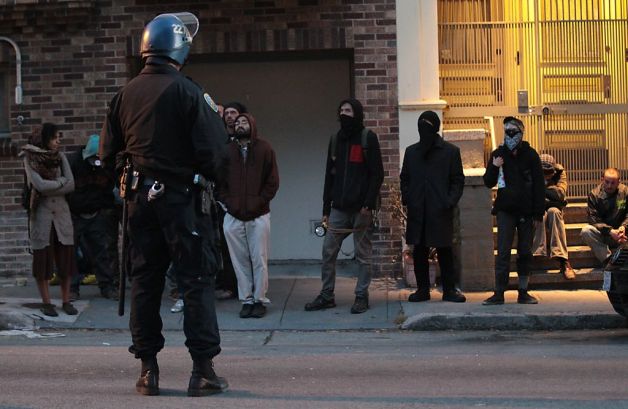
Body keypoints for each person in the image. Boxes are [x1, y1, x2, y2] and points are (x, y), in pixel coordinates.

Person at [99, 13, 228, 397]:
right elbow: (215, 154)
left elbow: (106, 155)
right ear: (178, 47)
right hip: (182, 202)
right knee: (195, 281)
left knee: (144, 282)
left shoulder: (123, 95)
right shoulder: (189, 92)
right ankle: (202, 371)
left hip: (139, 200)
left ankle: (147, 371)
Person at [304, 98, 384, 314]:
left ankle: (361, 296)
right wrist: (325, 209)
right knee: (328, 252)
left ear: (357, 113)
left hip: (361, 209)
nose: (344, 114)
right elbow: (329, 177)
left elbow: (377, 174)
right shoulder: (335, 140)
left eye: (348, 110)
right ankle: (327, 295)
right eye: (341, 110)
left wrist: (368, 203)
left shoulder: (368, 138)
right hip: (338, 208)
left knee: (363, 255)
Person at [400, 111, 466, 303]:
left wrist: (449, 201)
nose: (424, 130)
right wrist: (409, 197)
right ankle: (422, 289)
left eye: (427, 126)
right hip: (418, 208)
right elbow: (405, 177)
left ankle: (449, 290)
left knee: (445, 250)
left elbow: (457, 180)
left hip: (440, 209)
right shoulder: (412, 152)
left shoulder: (450, 152)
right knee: (419, 249)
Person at [220, 113, 279, 319]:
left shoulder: (265, 149)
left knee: (259, 258)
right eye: (237, 123)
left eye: (244, 122)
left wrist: (258, 202)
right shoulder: (227, 151)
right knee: (239, 260)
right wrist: (229, 204)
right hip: (233, 214)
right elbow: (220, 182)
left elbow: (272, 182)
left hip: (258, 214)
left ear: (252, 125)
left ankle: (259, 299)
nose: (240, 125)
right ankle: (246, 299)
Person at [482, 116, 545, 305]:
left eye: (513, 132)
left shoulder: (531, 155)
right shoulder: (498, 154)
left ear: (521, 133)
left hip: (526, 212)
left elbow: (538, 186)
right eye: (507, 132)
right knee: (503, 252)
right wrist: (494, 166)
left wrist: (537, 213)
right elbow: (488, 182)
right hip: (505, 211)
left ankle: (523, 291)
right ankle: (499, 292)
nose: (510, 136)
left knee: (524, 252)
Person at [20, 123, 78, 317]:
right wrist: (60, 182)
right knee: (43, 261)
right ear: (44, 140)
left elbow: (71, 185)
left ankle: (66, 300)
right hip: (42, 215)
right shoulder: (30, 159)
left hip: (61, 214)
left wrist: (57, 184)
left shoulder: (60, 157)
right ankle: (46, 302)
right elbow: (39, 185)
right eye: (54, 138)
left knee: (66, 260)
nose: (58, 141)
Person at [67, 134, 120, 300]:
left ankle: (107, 286)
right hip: (74, 214)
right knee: (71, 253)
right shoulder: (73, 163)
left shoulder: (105, 167)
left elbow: (109, 189)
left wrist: (105, 206)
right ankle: (71, 288)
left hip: (96, 213)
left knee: (100, 251)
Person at [214, 101, 248, 300]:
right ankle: (228, 283)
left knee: (247, 246)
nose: (229, 116)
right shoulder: (219, 140)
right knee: (225, 244)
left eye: (233, 113)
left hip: (245, 200)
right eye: (226, 113)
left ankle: (246, 285)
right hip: (223, 199)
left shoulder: (247, 142)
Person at [532, 154, 575, 279]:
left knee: (554, 212)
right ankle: (537, 252)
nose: (546, 175)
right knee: (542, 215)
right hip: (537, 208)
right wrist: (550, 192)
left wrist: (541, 187)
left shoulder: (560, 172)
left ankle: (562, 259)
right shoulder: (531, 172)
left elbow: (560, 194)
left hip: (554, 207)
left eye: (548, 172)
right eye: (543, 172)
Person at [580, 168, 628, 264]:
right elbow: (593, 219)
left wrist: (623, 227)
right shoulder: (594, 194)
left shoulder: (625, 192)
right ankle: (609, 260)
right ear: (602, 179)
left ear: (619, 182)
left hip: (623, 234)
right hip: (604, 235)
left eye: (613, 183)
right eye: (607, 182)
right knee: (586, 231)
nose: (609, 186)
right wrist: (610, 231)